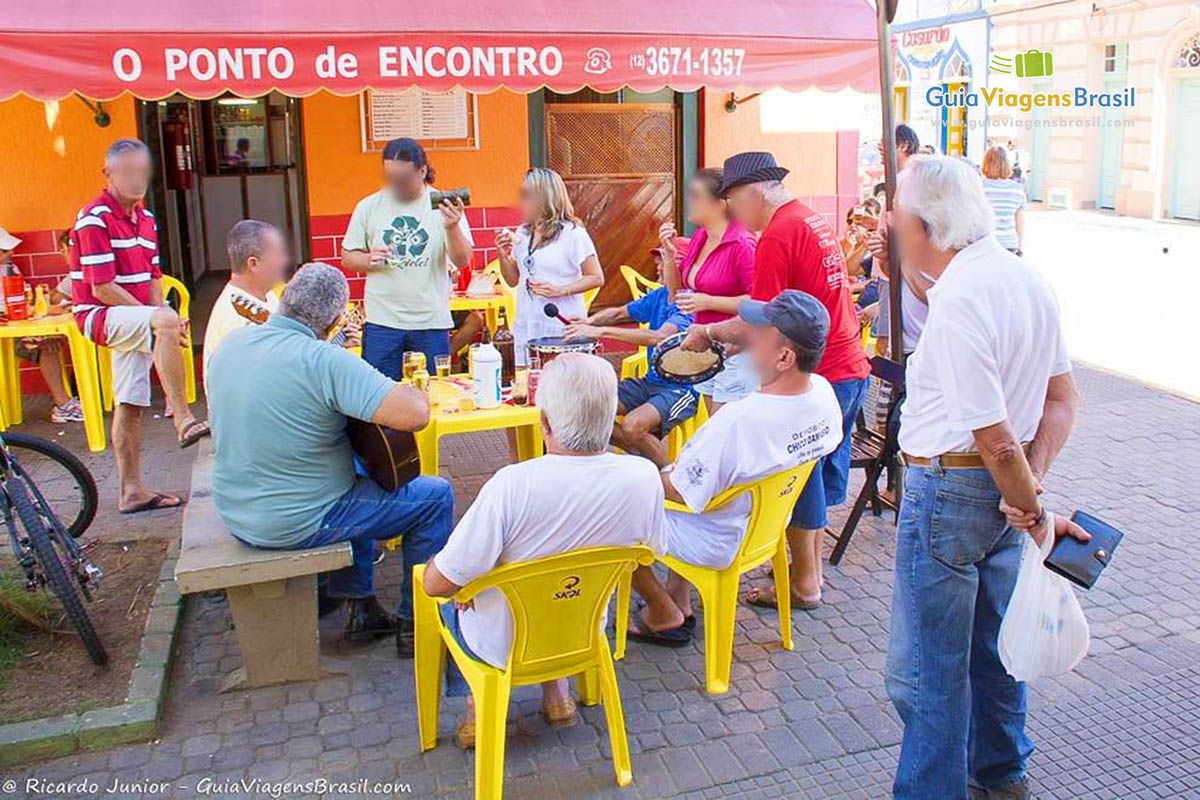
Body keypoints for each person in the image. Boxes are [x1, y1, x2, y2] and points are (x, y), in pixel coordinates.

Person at [883, 155, 1090, 800]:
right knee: (995, 649)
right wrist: (1029, 490)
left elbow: (993, 435)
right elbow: (1060, 401)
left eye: (899, 217)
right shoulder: (1023, 279)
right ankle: (1001, 775)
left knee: (925, 674)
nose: (891, 226)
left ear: (926, 227)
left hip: (951, 490)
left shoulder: (962, 298)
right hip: (997, 492)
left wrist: (1026, 503)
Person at [422, 353, 666, 746]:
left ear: (545, 423)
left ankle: (477, 711)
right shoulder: (643, 476)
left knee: (453, 596)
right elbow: (649, 552)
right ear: (611, 421)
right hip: (582, 629)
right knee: (552, 580)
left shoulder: (512, 484)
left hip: (504, 642)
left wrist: (455, 579)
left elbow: (438, 584)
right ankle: (558, 696)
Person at [207, 263, 452, 652]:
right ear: (337, 319)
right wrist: (415, 391)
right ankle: (415, 624)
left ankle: (361, 605)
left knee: (353, 472)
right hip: (295, 521)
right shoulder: (325, 361)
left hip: (237, 510)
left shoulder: (231, 346)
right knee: (435, 496)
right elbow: (415, 415)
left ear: (284, 299)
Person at [681, 152, 869, 611]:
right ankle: (804, 570)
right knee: (805, 477)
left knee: (797, 479)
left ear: (754, 192)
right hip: (845, 364)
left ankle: (805, 583)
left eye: (733, 201)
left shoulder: (777, 234)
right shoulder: (810, 219)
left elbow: (761, 323)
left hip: (820, 369)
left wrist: (708, 333)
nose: (733, 212)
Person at [628, 291, 843, 644]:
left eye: (759, 335)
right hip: (764, 526)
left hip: (717, 536)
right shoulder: (821, 392)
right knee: (696, 483)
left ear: (785, 356)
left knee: (615, 504)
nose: (749, 337)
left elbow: (681, 492)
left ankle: (661, 611)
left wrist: (635, 478)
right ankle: (679, 596)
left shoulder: (739, 420)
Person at [70, 138, 210, 514]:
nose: (136, 180)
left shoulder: (145, 219)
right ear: (108, 174)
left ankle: (130, 491)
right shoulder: (94, 218)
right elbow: (101, 286)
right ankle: (182, 417)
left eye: (141, 171)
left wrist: (164, 314)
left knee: (128, 404)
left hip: (131, 316)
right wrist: (154, 320)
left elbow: (152, 276)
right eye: (127, 172)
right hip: (97, 314)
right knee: (162, 322)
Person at [341, 137, 473, 378]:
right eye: (389, 178)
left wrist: (452, 228)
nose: (395, 185)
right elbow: (348, 258)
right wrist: (369, 258)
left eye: (402, 178)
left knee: (434, 393)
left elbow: (463, 260)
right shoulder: (369, 206)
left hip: (430, 321)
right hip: (382, 321)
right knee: (378, 396)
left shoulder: (443, 204)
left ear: (422, 171)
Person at [564, 251, 696, 466]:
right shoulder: (660, 295)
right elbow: (619, 314)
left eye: (663, 261)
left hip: (682, 389)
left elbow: (659, 337)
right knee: (583, 408)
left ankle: (667, 479)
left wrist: (601, 332)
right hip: (650, 381)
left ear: (680, 267)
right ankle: (640, 452)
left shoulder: (689, 303)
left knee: (633, 425)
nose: (657, 265)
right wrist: (589, 321)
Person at [657, 168, 757, 410]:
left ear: (720, 203)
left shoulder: (743, 243)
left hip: (738, 348)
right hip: (706, 345)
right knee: (716, 428)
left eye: (695, 196)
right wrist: (670, 256)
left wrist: (710, 302)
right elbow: (675, 293)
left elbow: (759, 302)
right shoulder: (701, 236)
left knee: (725, 434)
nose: (688, 202)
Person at [494, 168, 603, 365]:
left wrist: (561, 290)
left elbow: (596, 277)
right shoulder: (524, 232)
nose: (520, 201)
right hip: (527, 324)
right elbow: (513, 279)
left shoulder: (572, 233)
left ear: (543, 198)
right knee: (528, 384)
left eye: (526, 196)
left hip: (559, 326)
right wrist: (503, 255)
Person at [0, 228, 84, 423]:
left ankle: (63, 404)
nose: (11, 253)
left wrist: (39, 308)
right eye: (5, 250)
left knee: (49, 341)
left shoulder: (9, 268)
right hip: (7, 334)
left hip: (18, 328)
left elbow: (23, 300)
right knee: (44, 344)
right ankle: (63, 405)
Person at [201, 220, 289, 385]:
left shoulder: (265, 295)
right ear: (253, 264)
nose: (285, 261)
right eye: (279, 255)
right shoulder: (239, 320)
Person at [981, 146, 1027, 255]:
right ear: (1007, 164)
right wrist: (1019, 245)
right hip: (1009, 244)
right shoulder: (1017, 189)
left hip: (984, 244)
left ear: (985, 163)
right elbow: (1020, 222)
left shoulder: (978, 187)